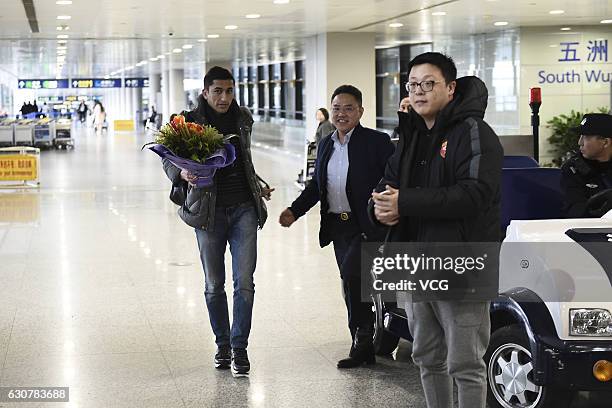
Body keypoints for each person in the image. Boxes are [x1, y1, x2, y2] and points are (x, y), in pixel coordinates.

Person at [371, 52, 503, 408]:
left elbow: (475, 193)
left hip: (462, 263)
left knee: (465, 362)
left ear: (450, 87)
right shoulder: (413, 136)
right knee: (426, 356)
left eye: (429, 84)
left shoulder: (474, 132)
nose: (419, 92)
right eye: (413, 85)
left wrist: (405, 203)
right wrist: (380, 209)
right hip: (417, 264)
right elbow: (388, 184)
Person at [161, 66, 274, 378]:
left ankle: (240, 346)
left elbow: (245, 160)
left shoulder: (243, 119)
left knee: (245, 282)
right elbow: (167, 157)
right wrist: (181, 173)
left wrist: (257, 186)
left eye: (229, 91)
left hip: (243, 209)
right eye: (218, 91)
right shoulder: (188, 121)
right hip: (208, 211)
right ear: (205, 92)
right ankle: (222, 343)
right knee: (214, 285)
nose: (225, 97)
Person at [279, 85, 394, 368]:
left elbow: (393, 176)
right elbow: (318, 185)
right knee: (350, 282)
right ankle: (362, 339)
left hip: (366, 225)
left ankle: (363, 338)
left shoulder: (376, 141)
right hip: (338, 226)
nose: (341, 114)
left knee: (353, 275)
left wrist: (381, 204)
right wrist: (295, 211)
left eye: (348, 108)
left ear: (361, 111)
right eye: (337, 108)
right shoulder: (327, 143)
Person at [561, 113, 612, 218]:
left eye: (586, 137)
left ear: (605, 142)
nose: (580, 142)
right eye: (581, 136)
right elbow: (574, 210)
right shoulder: (572, 169)